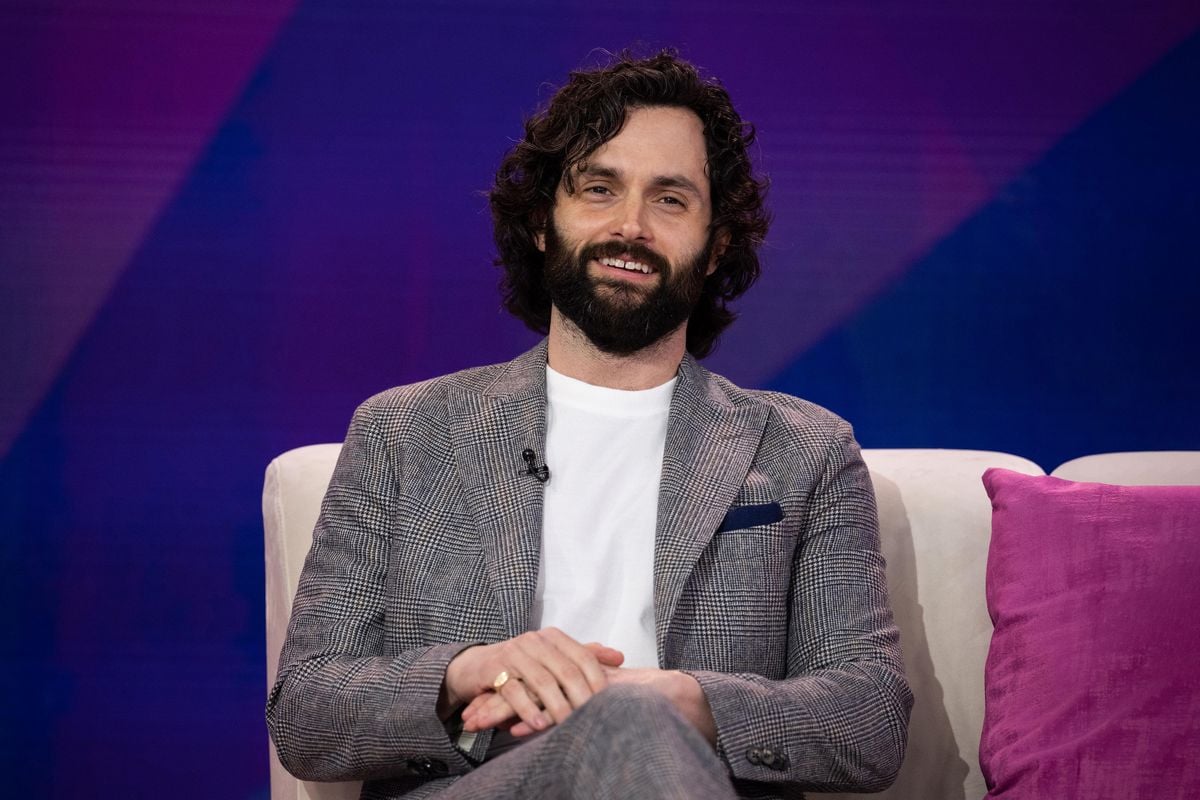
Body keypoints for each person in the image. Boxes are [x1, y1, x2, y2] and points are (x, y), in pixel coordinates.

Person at [266, 50, 911, 800]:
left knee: (635, 726)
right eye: (599, 189)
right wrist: (468, 672)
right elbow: (306, 711)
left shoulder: (805, 450)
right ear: (543, 222)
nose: (630, 226)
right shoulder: (405, 434)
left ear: (717, 245)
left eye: (670, 200)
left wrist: (680, 704)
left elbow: (870, 720)